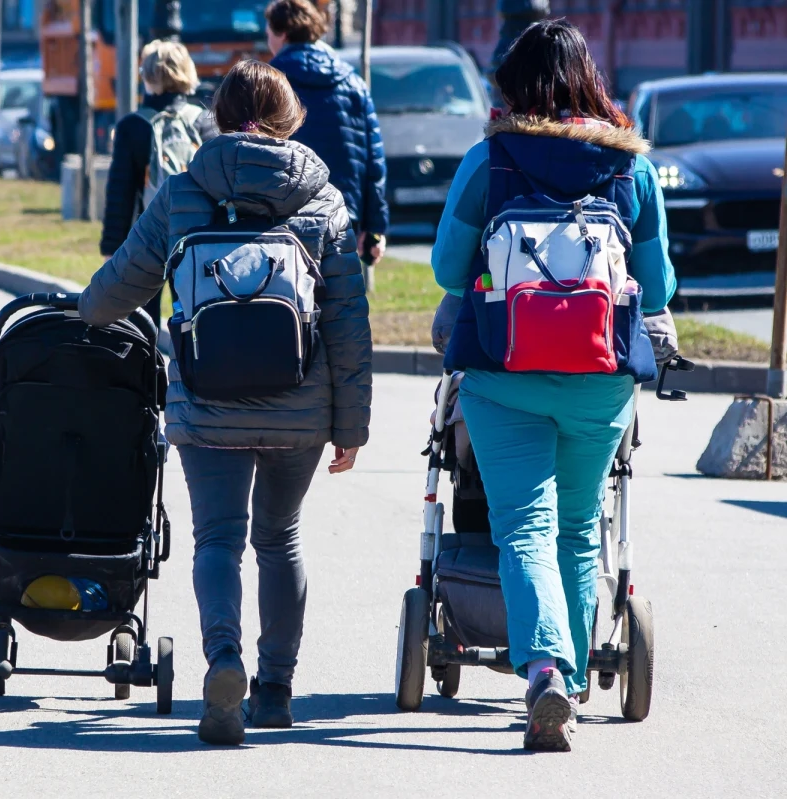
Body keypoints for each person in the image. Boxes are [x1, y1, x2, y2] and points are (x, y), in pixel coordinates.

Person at [79, 59, 372, 746]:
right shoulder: (323, 200)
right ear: (291, 116)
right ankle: (275, 689)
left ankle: (224, 660)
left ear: (218, 114)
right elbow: (349, 324)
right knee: (280, 539)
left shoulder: (186, 192)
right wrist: (350, 426)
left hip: (207, 401)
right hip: (300, 406)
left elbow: (123, 279)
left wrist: (85, 311)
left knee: (217, 539)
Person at [431, 19, 676, 752]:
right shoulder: (630, 168)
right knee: (576, 528)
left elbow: (447, 269)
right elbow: (658, 282)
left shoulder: (491, 158)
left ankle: (542, 669)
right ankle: (562, 673)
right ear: (589, 82)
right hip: (600, 378)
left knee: (523, 528)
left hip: (504, 375)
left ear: (516, 88)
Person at [99, 39, 217, 328]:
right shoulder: (206, 122)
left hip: (148, 235)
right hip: (196, 236)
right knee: (194, 315)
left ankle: (147, 371)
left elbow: (121, 192)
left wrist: (112, 247)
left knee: (141, 320)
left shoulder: (133, 125)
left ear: (148, 77)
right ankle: (189, 370)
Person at [265, 0, 389, 266]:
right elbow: (373, 159)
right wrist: (375, 227)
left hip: (284, 209)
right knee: (338, 297)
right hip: (344, 209)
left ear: (282, 33)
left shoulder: (271, 82)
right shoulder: (352, 81)